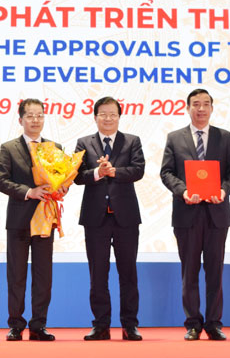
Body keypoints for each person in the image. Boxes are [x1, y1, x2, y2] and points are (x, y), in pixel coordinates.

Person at [159, 88, 230, 341]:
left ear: (212, 108)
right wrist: (182, 191)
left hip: (216, 214)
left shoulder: (223, 137)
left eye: (206, 104)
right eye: (196, 104)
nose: (201, 109)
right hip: (187, 214)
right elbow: (166, 173)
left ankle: (214, 323)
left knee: (215, 272)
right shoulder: (175, 138)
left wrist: (223, 190)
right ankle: (192, 323)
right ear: (188, 107)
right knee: (190, 271)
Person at [74, 96, 145, 341]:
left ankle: (130, 325)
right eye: (103, 114)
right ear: (95, 117)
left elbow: (139, 170)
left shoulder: (132, 141)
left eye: (112, 114)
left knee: (128, 273)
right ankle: (101, 325)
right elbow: (76, 176)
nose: (107, 118)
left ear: (119, 116)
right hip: (96, 219)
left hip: (125, 217)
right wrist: (97, 173)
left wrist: (115, 172)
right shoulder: (84, 142)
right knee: (98, 274)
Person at [0, 98, 66, 341]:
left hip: (45, 219)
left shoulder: (54, 147)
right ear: (21, 120)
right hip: (19, 219)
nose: (35, 120)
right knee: (16, 274)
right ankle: (16, 325)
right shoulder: (9, 148)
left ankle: (38, 325)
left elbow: (61, 179)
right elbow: (0, 181)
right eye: (30, 116)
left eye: (39, 115)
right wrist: (28, 192)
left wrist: (61, 189)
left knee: (43, 275)